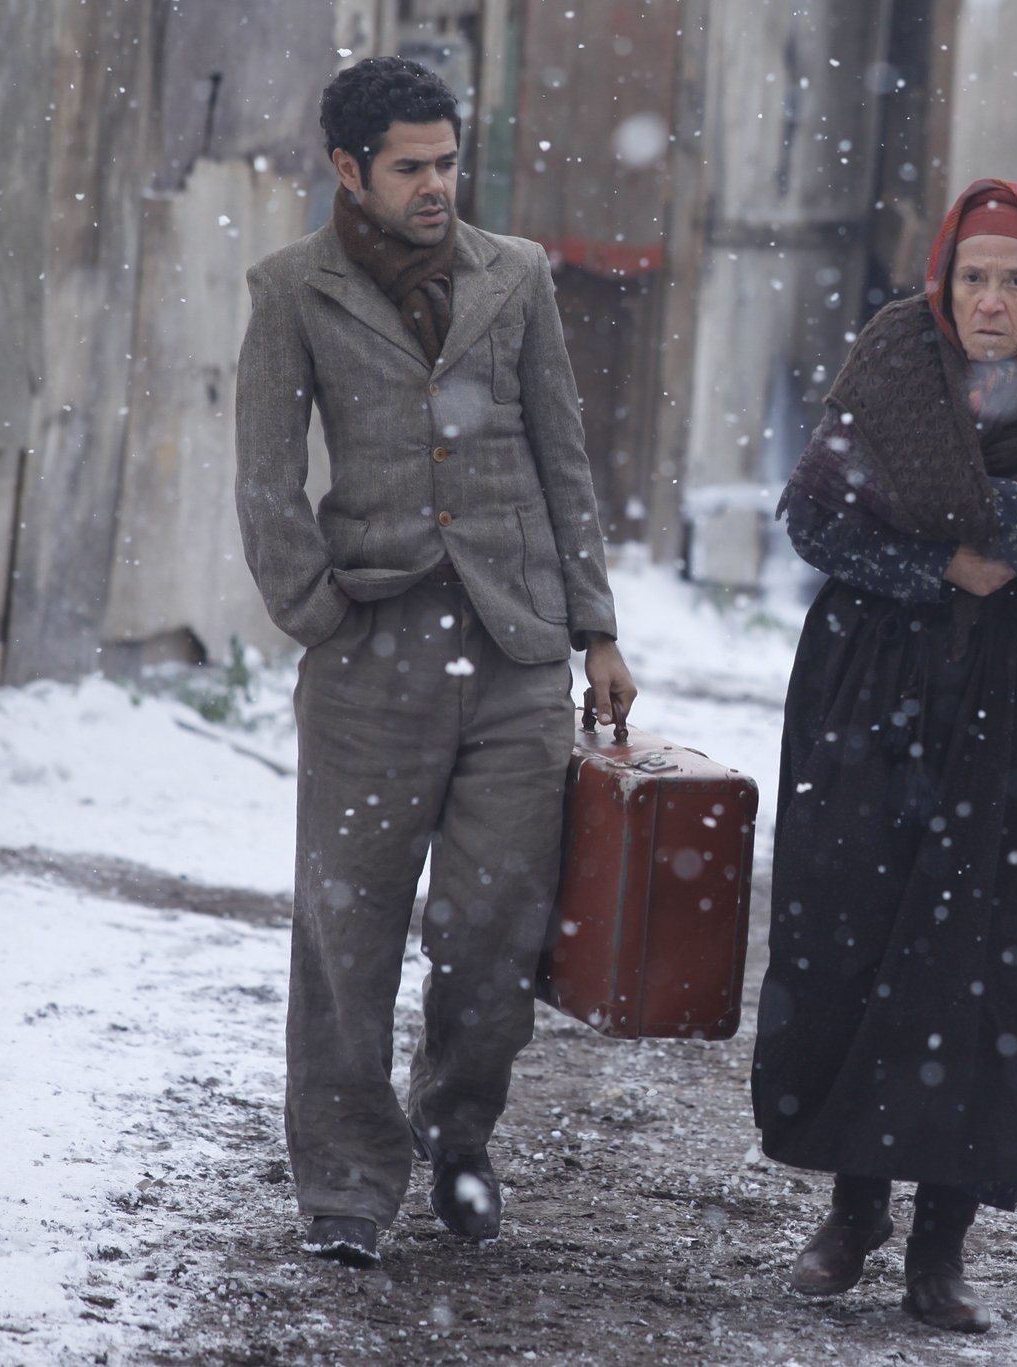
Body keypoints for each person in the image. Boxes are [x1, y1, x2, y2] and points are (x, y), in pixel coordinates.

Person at [235, 56, 637, 1269]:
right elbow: (264, 472)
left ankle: (459, 1131)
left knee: (493, 924)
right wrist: (317, 612)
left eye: (446, 161)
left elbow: (562, 453)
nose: (434, 186)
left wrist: (595, 626)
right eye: (409, 165)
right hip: (370, 652)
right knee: (345, 929)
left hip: (512, 651)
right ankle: (347, 1182)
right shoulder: (292, 289)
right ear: (348, 168)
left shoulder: (510, 276)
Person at [751, 179, 1017, 1334]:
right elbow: (817, 517)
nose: (989, 299)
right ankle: (851, 1208)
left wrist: (983, 522)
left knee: (987, 955)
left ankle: (940, 1241)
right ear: (943, 279)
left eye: (1013, 280)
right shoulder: (890, 356)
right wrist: (938, 570)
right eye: (972, 276)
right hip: (874, 687)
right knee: (857, 932)